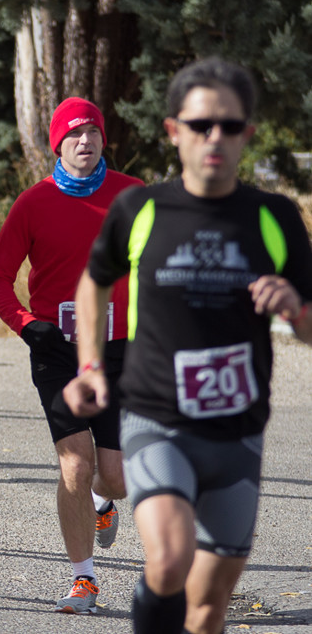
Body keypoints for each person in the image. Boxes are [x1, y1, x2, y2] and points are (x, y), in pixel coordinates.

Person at [63, 58, 312, 634]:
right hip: (156, 419)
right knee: (170, 560)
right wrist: (93, 365)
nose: (215, 138)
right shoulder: (141, 209)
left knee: (207, 607)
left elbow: (310, 324)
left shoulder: (274, 218)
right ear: (175, 131)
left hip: (237, 431)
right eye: (201, 126)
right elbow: (94, 281)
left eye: (230, 125)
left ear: (248, 132)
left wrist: (295, 307)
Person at [0, 96, 143, 613]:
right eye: (74, 134)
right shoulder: (34, 203)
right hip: (57, 350)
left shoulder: (133, 196)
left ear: (102, 140)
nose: (85, 141)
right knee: (75, 462)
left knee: (113, 475)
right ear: (58, 143)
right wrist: (28, 326)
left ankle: (103, 502)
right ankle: (84, 580)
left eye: (92, 132)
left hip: (118, 349)